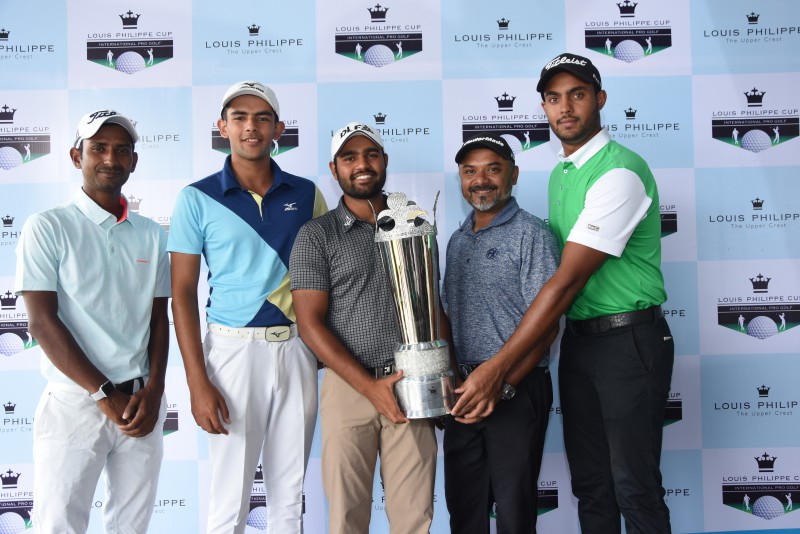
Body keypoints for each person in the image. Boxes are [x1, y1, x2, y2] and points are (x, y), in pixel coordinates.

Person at [449, 53, 675, 534]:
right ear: (544, 108)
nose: (565, 108)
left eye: (577, 94)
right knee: (591, 485)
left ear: (600, 99)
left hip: (628, 341)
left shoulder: (620, 171)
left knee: (634, 486)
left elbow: (566, 281)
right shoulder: (563, 172)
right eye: (553, 98)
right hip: (581, 342)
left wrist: (496, 371)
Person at [168, 81, 327, 534]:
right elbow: (182, 293)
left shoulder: (307, 193)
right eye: (239, 117)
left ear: (278, 128)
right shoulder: (196, 197)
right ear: (222, 127)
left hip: (297, 348)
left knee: (289, 496)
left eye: (262, 118)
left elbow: (324, 276)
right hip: (231, 353)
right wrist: (197, 382)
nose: (250, 127)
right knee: (229, 501)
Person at [15, 109, 169, 533]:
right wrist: (102, 392)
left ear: (134, 162)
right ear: (75, 156)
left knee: (131, 527)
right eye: (98, 148)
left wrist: (155, 391)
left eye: (121, 150)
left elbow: (159, 320)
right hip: (75, 403)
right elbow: (42, 323)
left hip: (140, 403)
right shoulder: (47, 227)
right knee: (59, 524)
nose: (110, 159)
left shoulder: (152, 234)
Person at [289, 122, 437, 534]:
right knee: (346, 517)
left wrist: (442, 375)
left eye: (371, 154)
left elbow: (432, 304)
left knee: (415, 518)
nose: (362, 165)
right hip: (348, 388)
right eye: (349, 157)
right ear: (334, 168)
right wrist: (370, 387)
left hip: (412, 383)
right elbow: (309, 325)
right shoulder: (316, 235)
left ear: (385, 161)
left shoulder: (415, 222)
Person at [442, 134, 561, 533]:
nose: (481, 180)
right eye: (469, 171)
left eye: (493, 169)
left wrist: (503, 385)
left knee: (513, 512)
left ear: (514, 174)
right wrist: (456, 382)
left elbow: (547, 326)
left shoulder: (533, 234)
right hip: (463, 392)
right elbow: (450, 317)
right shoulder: (457, 240)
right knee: (465, 511)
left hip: (517, 388)